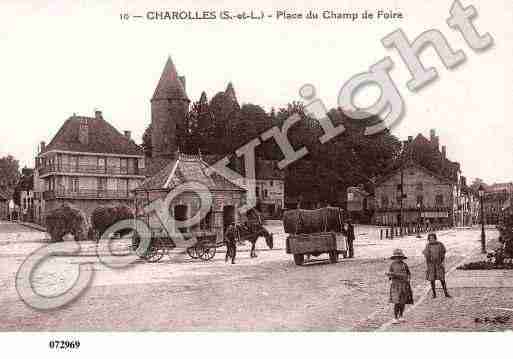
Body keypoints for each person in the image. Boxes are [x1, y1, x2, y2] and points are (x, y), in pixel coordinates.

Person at [386, 248, 414, 323]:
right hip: (395, 285)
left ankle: (401, 315)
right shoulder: (392, 265)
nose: (398, 259)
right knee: (396, 301)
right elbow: (390, 275)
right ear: (394, 258)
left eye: (399, 257)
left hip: (404, 285)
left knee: (402, 302)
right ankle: (395, 317)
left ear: (402, 258)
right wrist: (390, 276)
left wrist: (408, 279)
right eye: (396, 257)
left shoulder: (405, 265)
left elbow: (408, 274)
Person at [423, 232, 451, 298]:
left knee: (442, 279)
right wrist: (429, 258)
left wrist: (441, 260)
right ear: (428, 239)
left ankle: (446, 293)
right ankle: (434, 293)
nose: (431, 239)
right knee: (432, 280)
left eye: (433, 238)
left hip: (439, 264)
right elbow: (426, 253)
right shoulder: (428, 245)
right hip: (431, 265)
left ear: (435, 238)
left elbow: (443, 252)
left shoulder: (440, 244)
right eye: (430, 238)